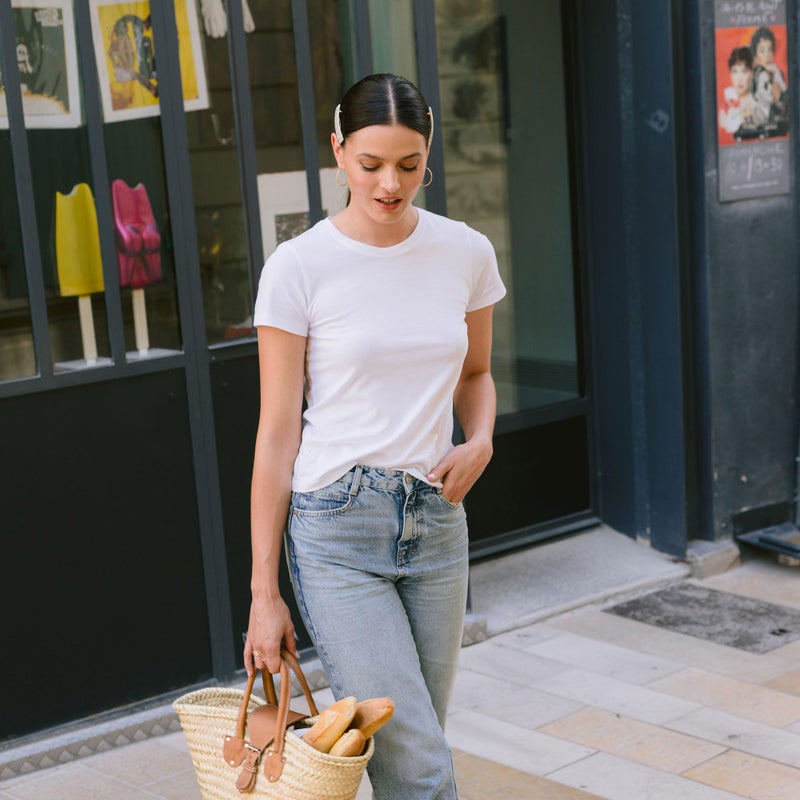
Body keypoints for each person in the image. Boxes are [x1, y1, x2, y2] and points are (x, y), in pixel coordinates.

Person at [244, 73, 506, 799]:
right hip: (337, 530)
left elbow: (478, 372)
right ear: (338, 152)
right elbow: (274, 434)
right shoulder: (298, 268)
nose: (391, 184)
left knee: (409, 747)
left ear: (429, 155)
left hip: (436, 519)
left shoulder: (465, 252)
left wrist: (481, 436)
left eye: (409, 164)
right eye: (371, 165)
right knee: (418, 765)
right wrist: (265, 593)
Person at [719, 46, 761, 135]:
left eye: (744, 71)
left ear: (752, 73)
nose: (739, 78)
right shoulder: (727, 98)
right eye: (734, 71)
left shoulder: (757, 102)